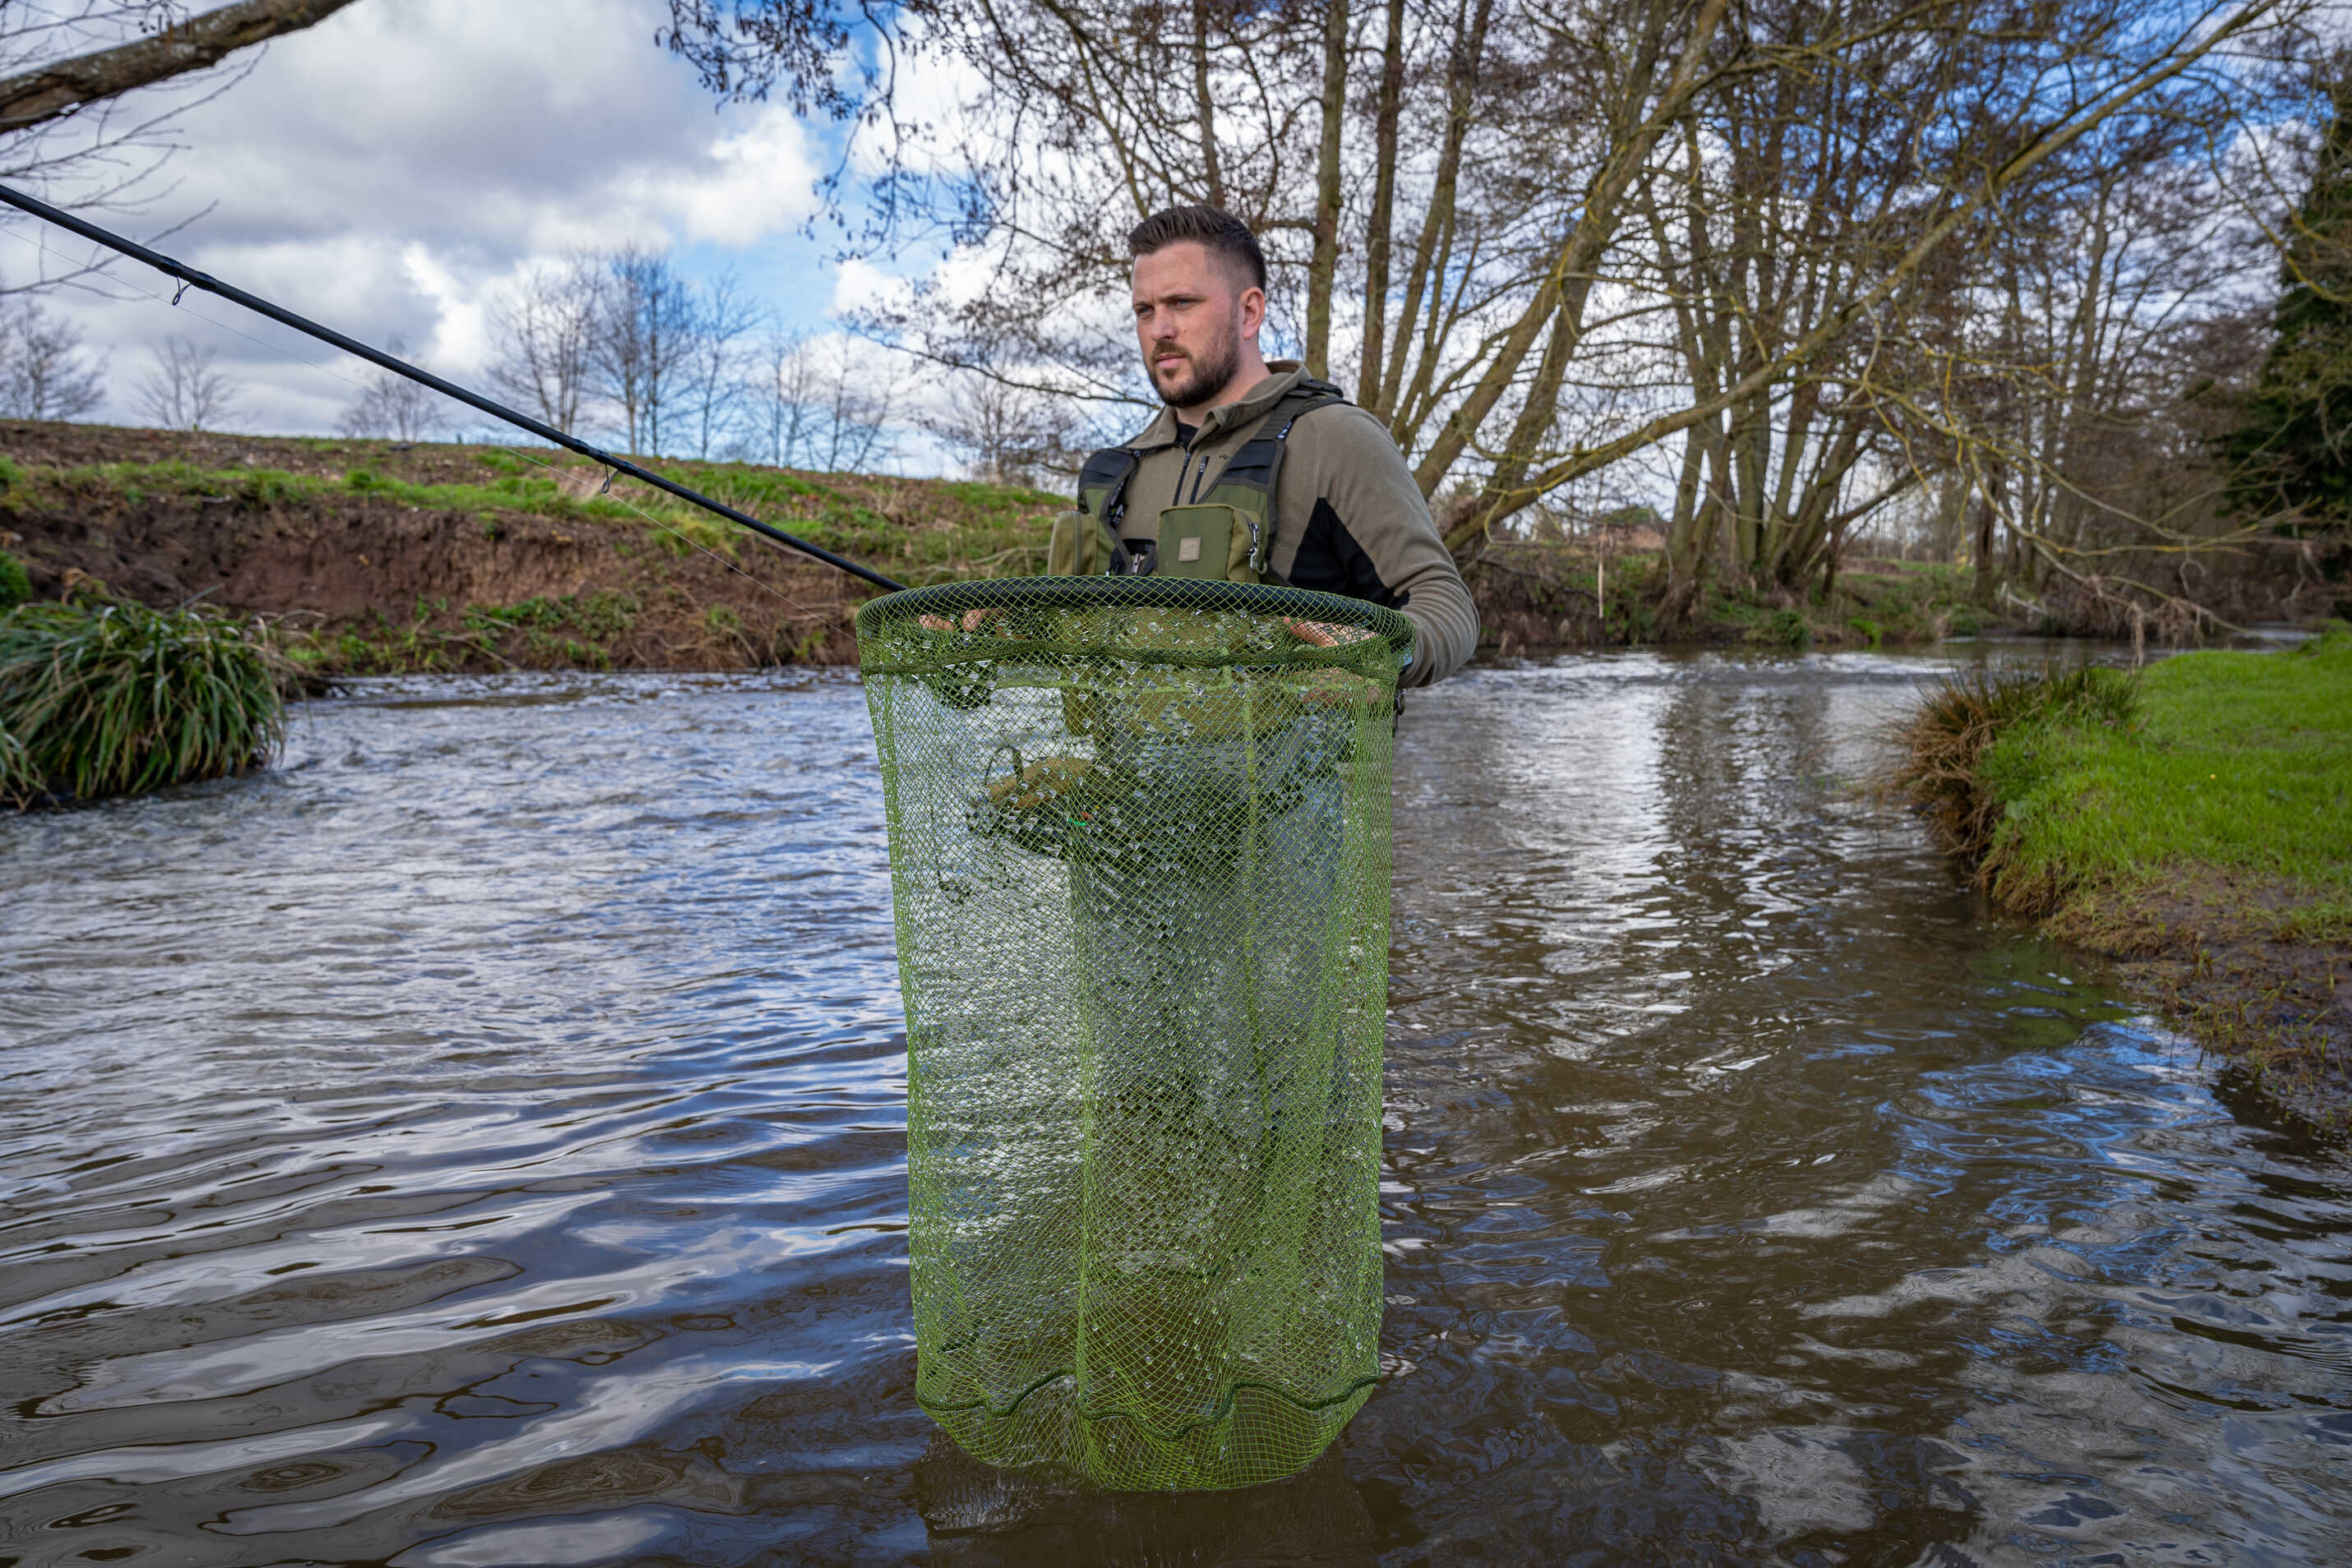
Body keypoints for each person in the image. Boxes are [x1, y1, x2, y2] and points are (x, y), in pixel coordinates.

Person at [1049, 203, 1478, 688]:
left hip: (1295, 762)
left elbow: (1445, 603)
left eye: (1182, 303)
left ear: (1249, 311)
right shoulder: (1112, 473)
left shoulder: (1333, 439)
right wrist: (1003, 624)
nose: (1159, 330)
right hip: (1118, 765)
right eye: (1144, 311)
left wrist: (1379, 654)